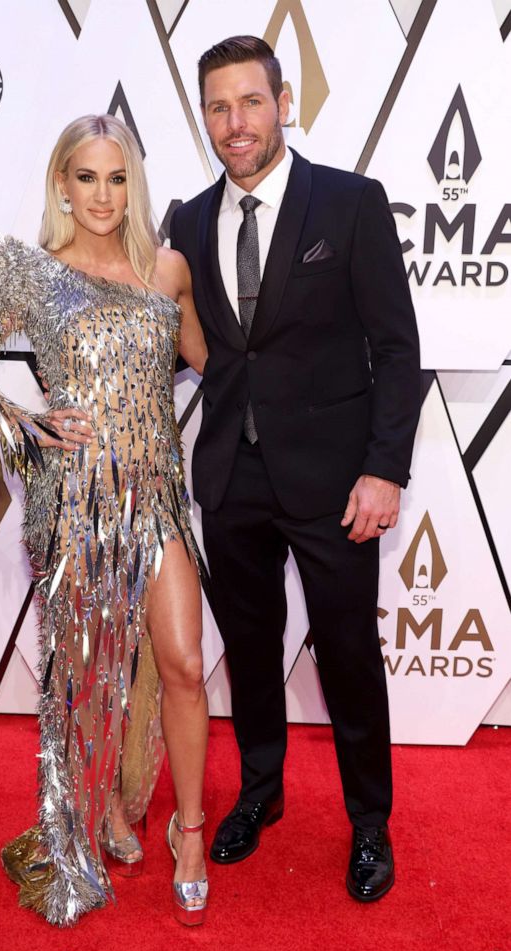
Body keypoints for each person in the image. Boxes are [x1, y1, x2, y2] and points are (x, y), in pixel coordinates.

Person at [0, 114, 210, 927]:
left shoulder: (168, 270)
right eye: (86, 177)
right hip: (76, 503)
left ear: (134, 186)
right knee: (87, 680)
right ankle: (102, 812)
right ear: (61, 183)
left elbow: (217, 367)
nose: (102, 195)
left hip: (157, 497)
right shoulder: (32, 274)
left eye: (117, 179)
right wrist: (27, 423)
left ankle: (188, 835)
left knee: (182, 664)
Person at [170, 36, 421, 902]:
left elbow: (395, 348)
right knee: (246, 651)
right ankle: (260, 793)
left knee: (347, 653)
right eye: (217, 106)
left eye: (249, 101)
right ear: (202, 115)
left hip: (333, 481)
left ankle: (368, 823)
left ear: (282, 102)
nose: (234, 124)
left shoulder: (350, 204)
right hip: (230, 479)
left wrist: (384, 468)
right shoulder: (187, 220)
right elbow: (178, 347)